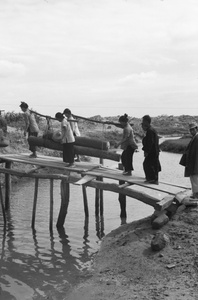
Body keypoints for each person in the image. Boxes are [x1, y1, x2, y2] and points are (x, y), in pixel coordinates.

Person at [179, 122, 198, 198]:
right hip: (193, 162)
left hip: (195, 162)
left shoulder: (196, 138)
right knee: (194, 178)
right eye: (190, 130)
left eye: (193, 129)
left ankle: (196, 194)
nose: (191, 131)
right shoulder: (194, 138)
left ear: (196, 129)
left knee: (195, 178)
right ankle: (195, 193)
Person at [141, 115, 161, 184]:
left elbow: (150, 143)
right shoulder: (152, 129)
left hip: (152, 152)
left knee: (147, 164)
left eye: (143, 121)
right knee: (152, 165)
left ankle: (152, 179)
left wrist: (146, 151)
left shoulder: (150, 131)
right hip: (154, 151)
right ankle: (152, 179)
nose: (143, 122)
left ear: (146, 122)